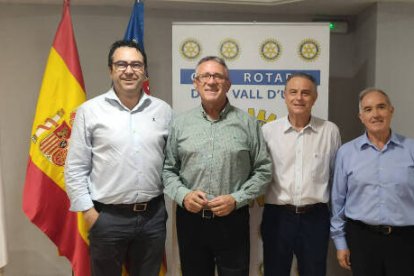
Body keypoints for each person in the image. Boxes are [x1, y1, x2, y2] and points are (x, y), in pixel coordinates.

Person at [65, 40, 172, 276]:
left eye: (136, 64)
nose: (129, 70)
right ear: (110, 70)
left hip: (152, 217)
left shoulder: (163, 111)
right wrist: (90, 213)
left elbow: (171, 163)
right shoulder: (90, 111)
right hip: (107, 218)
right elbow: (75, 167)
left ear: (145, 72)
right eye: (121, 64)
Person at [162, 56, 272, 276]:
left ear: (228, 84)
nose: (211, 81)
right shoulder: (180, 124)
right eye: (205, 76)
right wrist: (183, 195)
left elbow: (263, 170)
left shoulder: (248, 124)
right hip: (190, 220)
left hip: (233, 219)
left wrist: (236, 199)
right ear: (196, 83)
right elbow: (168, 170)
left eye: (218, 76)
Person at [261, 72, 341, 276]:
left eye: (306, 93)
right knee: (274, 272)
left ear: (314, 98)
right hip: (277, 216)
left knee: (314, 272)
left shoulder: (330, 131)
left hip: (315, 217)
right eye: (293, 92)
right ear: (284, 95)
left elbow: (336, 178)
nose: (299, 98)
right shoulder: (268, 131)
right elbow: (260, 173)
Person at [330, 88, 414, 276]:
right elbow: (337, 201)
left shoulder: (411, 150)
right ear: (361, 116)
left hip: (405, 240)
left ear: (391, 110)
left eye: (381, 107)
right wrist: (340, 242)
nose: (375, 114)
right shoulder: (347, 153)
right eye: (368, 109)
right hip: (362, 240)